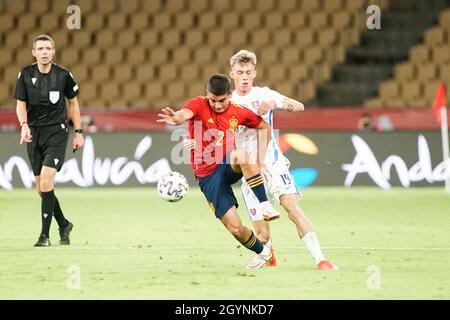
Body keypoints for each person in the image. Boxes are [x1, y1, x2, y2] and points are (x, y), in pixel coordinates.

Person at [185, 50, 337, 270]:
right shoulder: (226, 100)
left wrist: (274, 103)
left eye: (248, 72)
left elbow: (299, 106)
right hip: (249, 170)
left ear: (254, 73)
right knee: (262, 235)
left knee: (290, 206)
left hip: (272, 163)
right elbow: (208, 129)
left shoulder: (264, 94)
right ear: (232, 74)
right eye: (240, 72)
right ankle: (268, 255)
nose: (245, 76)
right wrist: (194, 141)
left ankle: (320, 258)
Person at [157, 74, 280, 269]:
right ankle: (264, 253)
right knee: (236, 228)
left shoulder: (239, 111)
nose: (217, 105)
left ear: (229, 95)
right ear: (207, 95)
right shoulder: (198, 103)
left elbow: (264, 127)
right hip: (207, 176)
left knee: (242, 155)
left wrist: (260, 160)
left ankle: (265, 205)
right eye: (213, 100)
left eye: (222, 100)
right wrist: (176, 118)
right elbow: (184, 114)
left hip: (226, 162)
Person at [15, 34, 84, 247]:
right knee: (41, 188)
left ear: (53, 51)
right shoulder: (25, 75)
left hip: (56, 132)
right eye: (40, 49)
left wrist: (78, 131)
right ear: (34, 52)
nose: (45, 52)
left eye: (48, 48)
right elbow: (20, 105)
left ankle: (44, 237)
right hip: (34, 134)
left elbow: (73, 104)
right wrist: (24, 125)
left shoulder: (63, 75)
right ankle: (64, 223)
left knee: (46, 181)